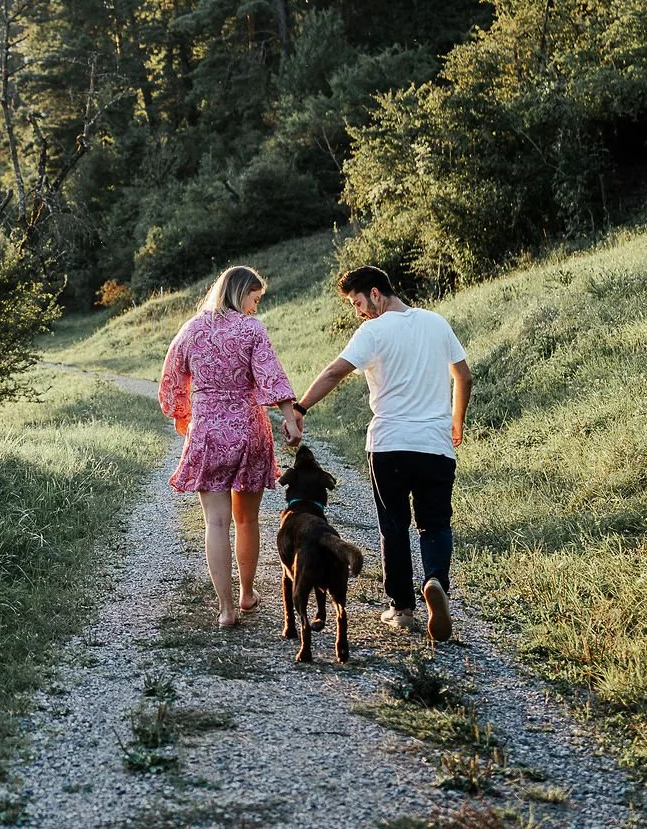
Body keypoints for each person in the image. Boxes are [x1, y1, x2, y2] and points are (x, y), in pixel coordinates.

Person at [293, 265, 473, 641]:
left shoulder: (373, 331)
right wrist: (456, 421)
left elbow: (333, 372)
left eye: (358, 302)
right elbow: (463, 376)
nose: (358, 312)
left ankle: (401, 608)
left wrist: (300, 408)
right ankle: (436, 581)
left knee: (394, 526)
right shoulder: (436, 323)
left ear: (376, 294)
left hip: (390, 445)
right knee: (435, 524)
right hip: (435, 445)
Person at [159, 265, 305, 627]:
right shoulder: (251, 329)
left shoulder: (192, 328)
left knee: (216, 522)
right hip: (248, 428)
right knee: (247, 519)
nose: (254, 308)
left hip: (208, 429)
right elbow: (271, 375)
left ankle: (226, 609)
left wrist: (183, 413)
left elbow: (172, 376)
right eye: (254, 300)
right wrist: (289, 419)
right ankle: (247, 593)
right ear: (241, 293)